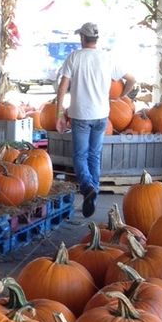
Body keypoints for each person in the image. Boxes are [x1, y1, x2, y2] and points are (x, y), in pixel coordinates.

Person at [56, 21, 116, 220]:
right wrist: (121, 95)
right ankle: (93, 194)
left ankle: (88, 186)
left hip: (80, 115)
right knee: (94, 156)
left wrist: (59, 114)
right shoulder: (107, 57)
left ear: (82, 37)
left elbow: (62, 87)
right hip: (101, 115)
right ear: (96, 39)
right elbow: (131, 79)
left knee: (80, 156)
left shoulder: (75, 57)